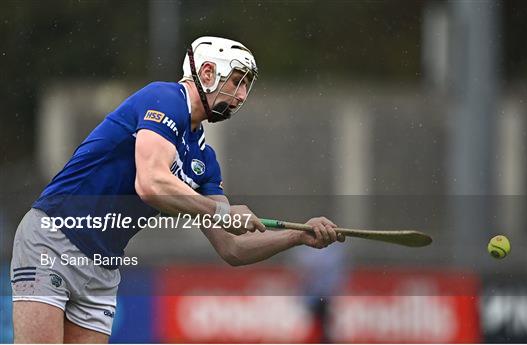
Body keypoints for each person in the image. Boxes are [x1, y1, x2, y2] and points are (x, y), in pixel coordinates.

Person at [10, 36, 345, 343]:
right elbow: (150, 183)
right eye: (236, 82)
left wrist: (298, 237)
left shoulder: (204, 160)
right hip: (53, 239)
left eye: (246, 87)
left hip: (102, 267)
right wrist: (223, 212)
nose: (242, 95)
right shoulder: (166, 97)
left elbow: (232, 248)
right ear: (208, 72)